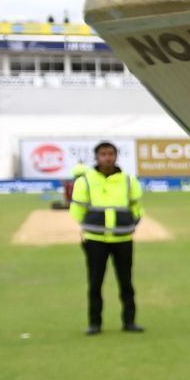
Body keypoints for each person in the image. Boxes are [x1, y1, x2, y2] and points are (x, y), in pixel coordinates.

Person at [70, 141, 143, 334]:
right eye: (103, 154)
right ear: (97, 157)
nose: (107, 157)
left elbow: (137, 207)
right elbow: (77, 208)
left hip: (123, 240)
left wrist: (130, 224)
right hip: (95, 240)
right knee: (95, 283)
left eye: (111, 154)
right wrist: (89, 226)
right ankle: (95, 323)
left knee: (126, 283)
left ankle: (129, 322)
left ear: (116, 156)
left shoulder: (128, 180)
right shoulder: (85, 180)